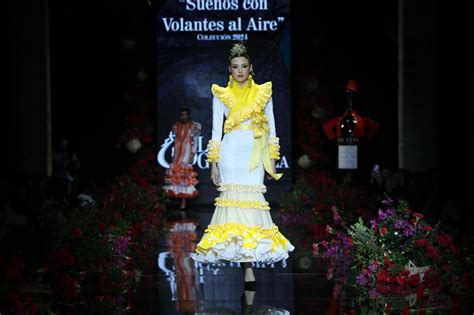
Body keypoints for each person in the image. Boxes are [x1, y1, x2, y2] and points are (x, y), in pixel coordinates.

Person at [192, 42, 294, 291]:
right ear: (229, 68)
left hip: (254, 152)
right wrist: (214, 164)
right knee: (233, 206)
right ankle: (247, 267)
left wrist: (271, 158)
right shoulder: (221, 94)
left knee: (251, 206)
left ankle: (247, 262)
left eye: (244, 66)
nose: (240, 71)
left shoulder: (263, 92)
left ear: (251, 68)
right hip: (230, 153)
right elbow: (216, 130)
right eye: (235, 67)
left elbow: (272, 128)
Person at [163, 108, 201, 211]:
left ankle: (184, 201)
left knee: (185, 175)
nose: (184, 116)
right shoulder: (176, 126)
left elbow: (195, 140)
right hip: (177, 152)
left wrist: (193, 153)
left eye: (185, 114)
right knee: (175, 174)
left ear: (188, 115)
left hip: (187, 151)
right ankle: (174, 196)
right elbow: (175, 139)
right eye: (182, 115)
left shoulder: (193, 126)